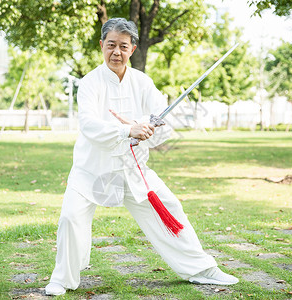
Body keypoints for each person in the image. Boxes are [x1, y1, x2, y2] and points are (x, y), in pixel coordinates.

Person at [45, 17, 239, 296]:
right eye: (111, 45)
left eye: (123, 46)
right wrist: (128, 129)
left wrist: (151, 131)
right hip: (91, 172)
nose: (116, 52)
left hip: (134, 171)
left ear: (132, 49)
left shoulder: (143, 83)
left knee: (171, 209)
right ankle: (62, 279)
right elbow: (88, 126)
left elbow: (163, 126)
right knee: (71, 218)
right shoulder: (90, 83)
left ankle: (201, 269)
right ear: (101, 45)